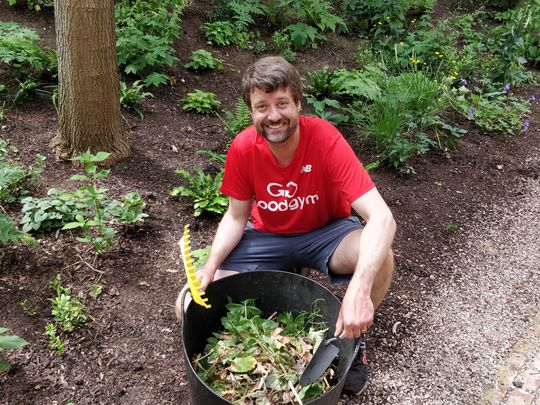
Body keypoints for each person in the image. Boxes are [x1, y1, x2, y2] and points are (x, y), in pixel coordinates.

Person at [175, 55, 396, 396]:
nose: (273, 115)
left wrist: (359, 290)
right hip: (268, 235)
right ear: (251, 112)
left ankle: (353, 340)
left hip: (327, 232)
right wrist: (211, 266)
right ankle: (242, 350)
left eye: (281, 103)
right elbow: (235, 217)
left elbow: (381, 217)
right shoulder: (244, 147)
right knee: (186, 304)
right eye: (262, 106)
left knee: (381, 255)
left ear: (298, 103)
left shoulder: (325, 138)